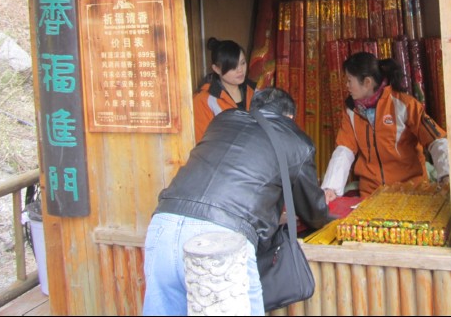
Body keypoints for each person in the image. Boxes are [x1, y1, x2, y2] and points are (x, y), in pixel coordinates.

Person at [142, 87, 332, 316]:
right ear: (289, 117)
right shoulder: (296, 141)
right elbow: (313, 211)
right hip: (220, 236)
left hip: (164, 223)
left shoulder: (223, 120)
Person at [321, 52, 449, 202]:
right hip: (371, 195)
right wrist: (331, 188)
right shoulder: (351, 111)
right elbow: (344, 149)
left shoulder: (404, 105)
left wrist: (447, 176)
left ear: (367, 82)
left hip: (412, 193)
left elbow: (436, 140)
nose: (347, 86)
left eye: (350, 81)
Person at [193, 37, 256, 141]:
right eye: (232, 67)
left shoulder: (253, 91)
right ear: (216, 69)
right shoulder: (203, 100)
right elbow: (202, 144)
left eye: (243, 63)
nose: (240, 70)